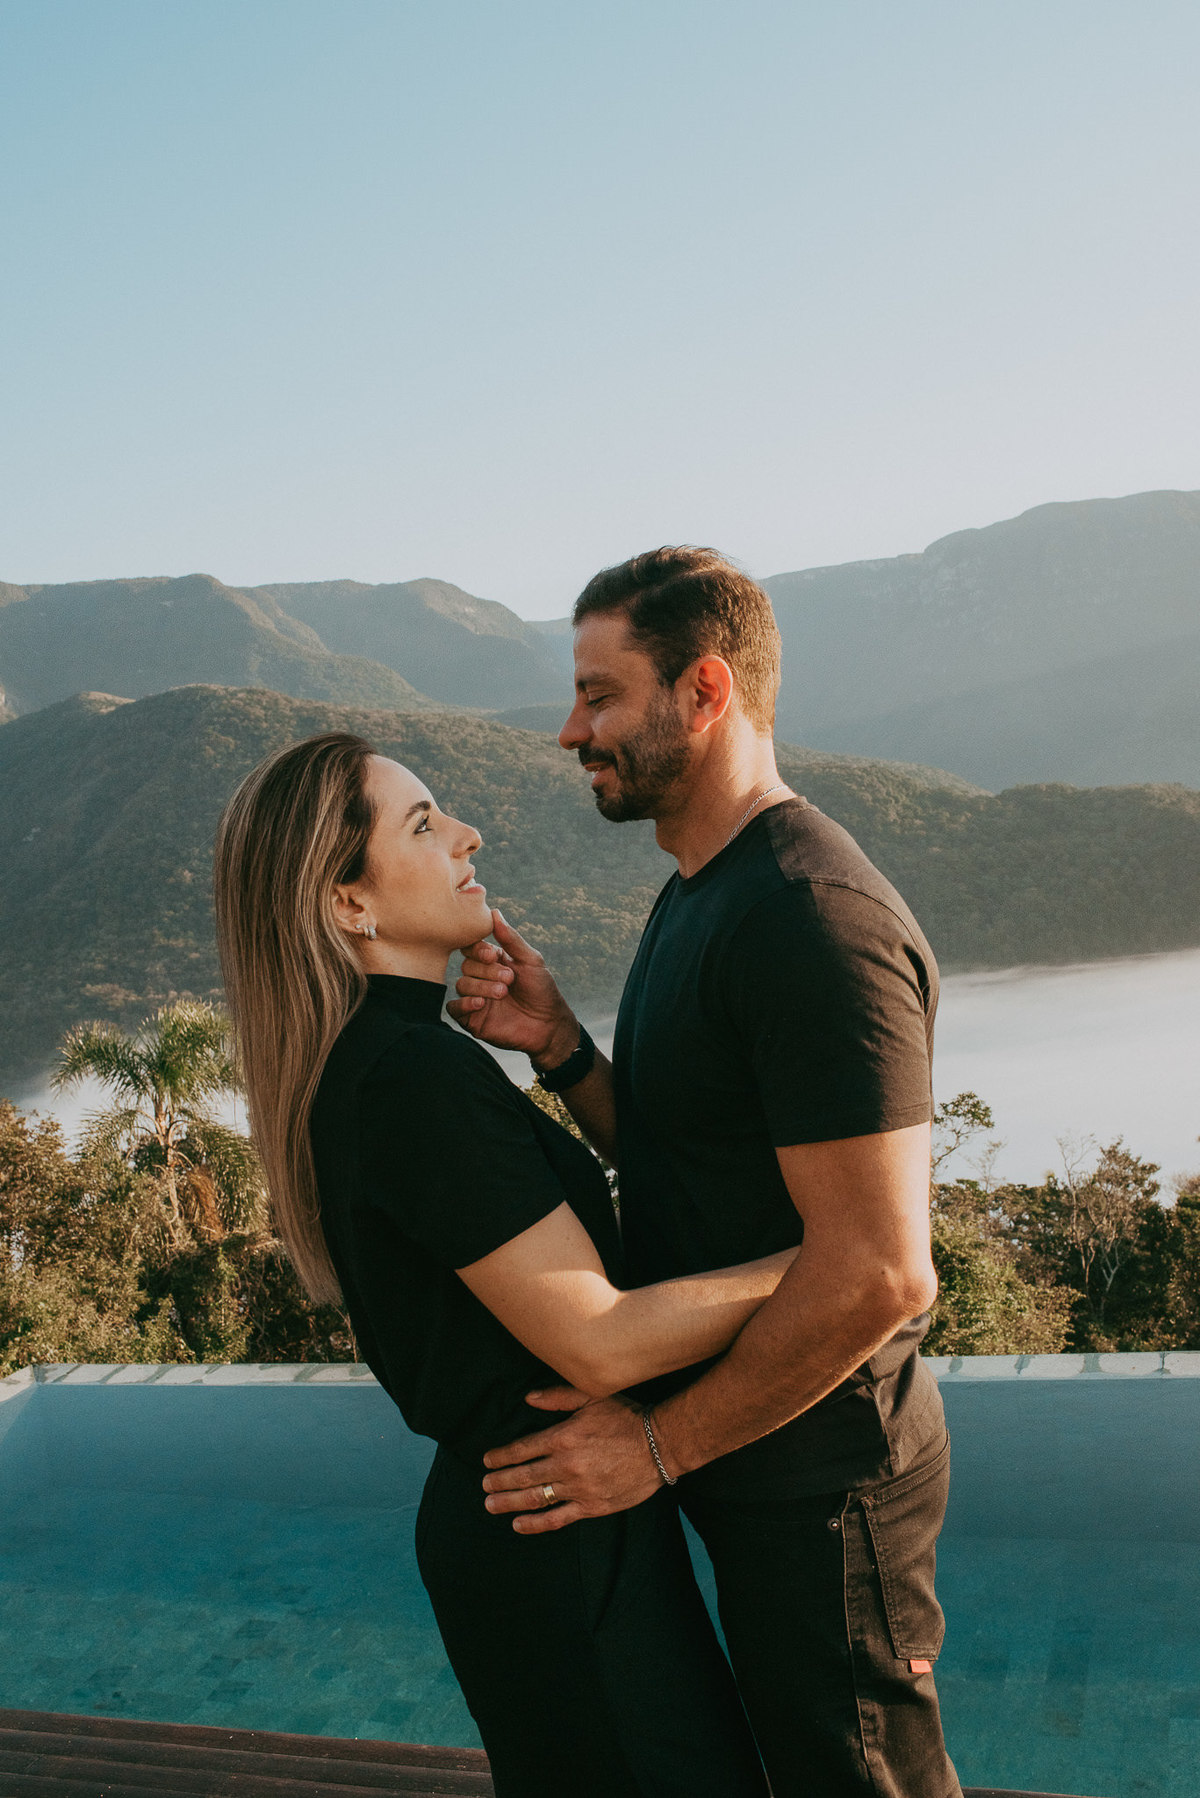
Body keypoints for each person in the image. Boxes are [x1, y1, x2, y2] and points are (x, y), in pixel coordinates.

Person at [450, 546, 964, 1798]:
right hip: (752, 1451)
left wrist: (658, 1448)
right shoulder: (699, 893)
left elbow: (884, 1271)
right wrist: (565, 1050)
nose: (571, 730)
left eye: (600, 694)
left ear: (707, 689)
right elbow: (691, 1163)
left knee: (861, 1778)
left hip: (823, 1473)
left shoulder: (811, 919)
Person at [211, 730, 795, 1798]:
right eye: (423, 824)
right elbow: (601, 1339)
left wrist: (562, 1051)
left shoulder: (377, 1063)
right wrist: (832, 1259)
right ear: (351, 903)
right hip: (554, 1528)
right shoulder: (412, 1077)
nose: (467, 834)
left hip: (538, 1518)